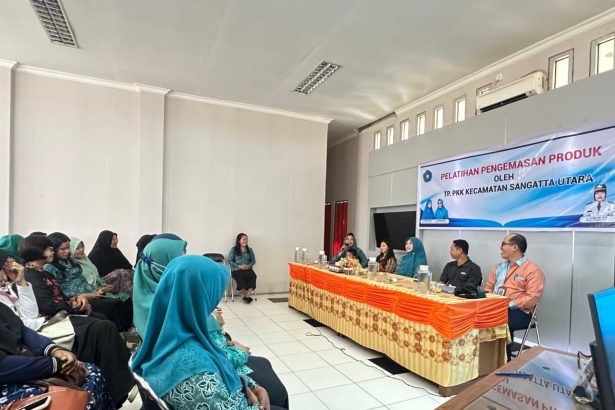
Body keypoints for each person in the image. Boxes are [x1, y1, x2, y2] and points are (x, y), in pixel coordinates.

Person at [132, 255, 287, 410]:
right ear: (199, 298)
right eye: (214, 295)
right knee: (279, 395)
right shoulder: (196, 373)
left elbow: (219, 366)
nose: (215, 303)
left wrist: (250, 386)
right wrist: (254, 402)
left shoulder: (167, 333)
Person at [18, 234, 135, 406]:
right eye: (49, 248)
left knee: (102, 321)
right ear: (37, 251)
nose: (52, 251)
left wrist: (78, 300)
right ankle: (123, 383)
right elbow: (47, 306)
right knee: (104, 327)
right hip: (51, 321)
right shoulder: (31, 275)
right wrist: (74, 306)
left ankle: (117, 381)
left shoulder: (42, 272)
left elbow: (60, 297)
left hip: (61, 314)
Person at [0, 303, 115, 410]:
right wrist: (55, 364)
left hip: (26, 361)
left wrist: (55, 350)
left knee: (91, 371)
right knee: (59, 399)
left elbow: (23, 330)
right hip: (8, 379)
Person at [44, 232, 133, 331]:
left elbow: (83, 281)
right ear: (53, 250)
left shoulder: (70, 261)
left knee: (123, 298)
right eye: (62, 249)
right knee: (113, 304)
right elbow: (59, 291)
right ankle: (117, 332)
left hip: (91, 292)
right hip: (78, 299)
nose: (67, 251)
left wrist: (96, 290)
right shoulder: (50, 267)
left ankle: (126, 330)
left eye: (68, 248)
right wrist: (86, 295)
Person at [209, 310, 289, 409]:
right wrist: (241, 352)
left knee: (265, 363)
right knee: (277, 391)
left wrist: (229, 343)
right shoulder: (197, 359)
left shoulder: (200, 320)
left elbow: (216, 344)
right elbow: (216, 361)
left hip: (231, 367)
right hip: (229, 370)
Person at [484, 233, 545, 360]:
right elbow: (488, 288)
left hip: (519, 311)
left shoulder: (532, 270)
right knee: (475, 316)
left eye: (503, 244)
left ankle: (503, 361)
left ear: (515, 247)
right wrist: (488, 301)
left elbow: (533, 297)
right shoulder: (498, 267)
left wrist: (509, 305)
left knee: (499, 320)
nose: (500, 248)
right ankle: (486, 358)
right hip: (495, 307)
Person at [133, 236, 187, 337]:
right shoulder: (159, 303)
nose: (184, 265)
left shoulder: (146, 291)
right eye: (178, 260)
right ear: (163, 262)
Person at [87, 230, 134, 295]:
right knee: (120, 273)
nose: (116, 241)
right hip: (101, 281)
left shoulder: (115, 250)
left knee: (131, 273)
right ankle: (126, 296)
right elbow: (91, 274)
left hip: (116, 277)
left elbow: (127, 266)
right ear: (106, 240)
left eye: (116, 239)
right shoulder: (96, 253)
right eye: (113, 239)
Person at [228, 233, 257, 303]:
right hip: (237, 269)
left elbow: (253, 260)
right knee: (241, 277)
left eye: (246, 239)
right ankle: (246, 296)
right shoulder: (234, 249)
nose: (245, 241)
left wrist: (248, 266)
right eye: (243, 239)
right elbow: (230, 260)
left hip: (247, 269)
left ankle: (247, 296)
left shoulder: (250, 250)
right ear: (239, 241)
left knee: (253, 276)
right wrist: (239, 266)